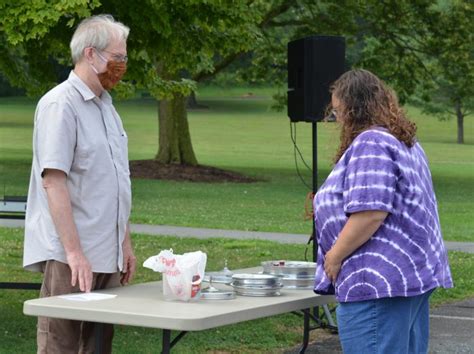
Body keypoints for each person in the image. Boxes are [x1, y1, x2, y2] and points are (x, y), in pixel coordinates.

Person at [313, 69, 453, 353]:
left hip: (376, 282)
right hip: (408, 279)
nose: (337, 119)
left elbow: (371, 212)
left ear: (356, 109)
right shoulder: (404, 143)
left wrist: (334, 257)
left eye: (339, 111)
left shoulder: (371, 142)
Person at [23, 15, 136, 354]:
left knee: (98, 346)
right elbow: (53, 183)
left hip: (108, 253)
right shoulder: (60, 105)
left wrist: (125, 244)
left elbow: (116, 183)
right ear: (91, 54)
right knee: (61, 344)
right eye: (118, 57)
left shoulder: (107, 108)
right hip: (71, 255)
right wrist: (74, 253)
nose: (123, 64)